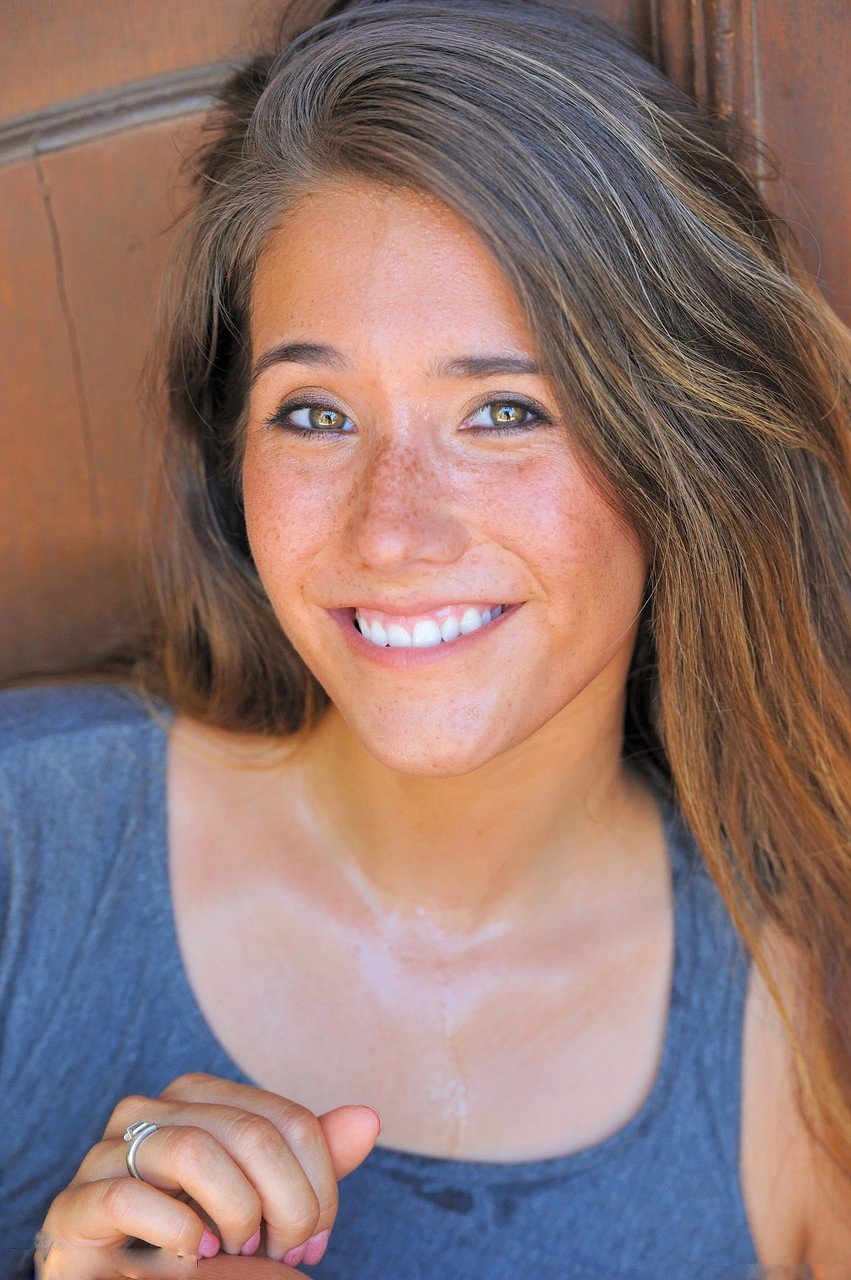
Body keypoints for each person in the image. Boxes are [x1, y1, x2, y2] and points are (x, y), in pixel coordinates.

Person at [2, 0, 850, 1276]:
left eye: (503, 410)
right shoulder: (24, 847)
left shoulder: (800, 1035)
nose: (391, 530)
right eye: (314, 413)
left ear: (678, 447)